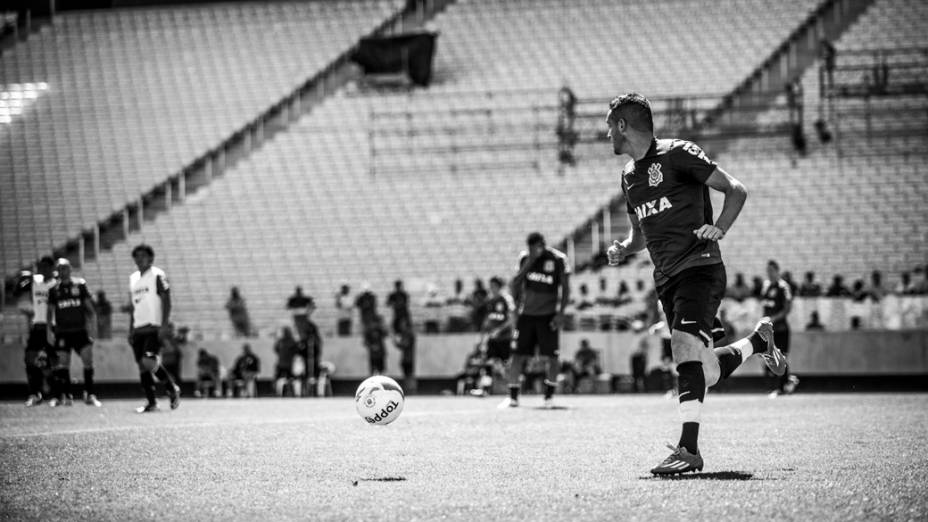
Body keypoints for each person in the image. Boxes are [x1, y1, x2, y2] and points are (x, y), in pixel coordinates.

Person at [604, 93, 788, 475]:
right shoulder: (628, 177)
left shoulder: (678, 153)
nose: (607, 135)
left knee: (683, 347)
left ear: (623, 125)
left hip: (700, 268)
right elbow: (640, 234)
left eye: (610, 127)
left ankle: (689, 449)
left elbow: (735, 189)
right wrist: (624, 247)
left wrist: (719, 228)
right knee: (704, 370)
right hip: (666, 279)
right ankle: (758, 341)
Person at [498, 232, 570, 409]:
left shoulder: (558, 259)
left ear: (543, 245)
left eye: (535, 248)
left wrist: (560, 313)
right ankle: (513, 397)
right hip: (526, 316)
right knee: (516, 356)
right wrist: (529, 261)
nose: (532, 251)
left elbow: (566, 289)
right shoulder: (525, 259)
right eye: (530, 248)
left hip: (548, 316)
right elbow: (515, 283)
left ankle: (549, 398)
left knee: (552, 358)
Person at [128, 244, 180, 413]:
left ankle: (171, 387)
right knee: (142, 367)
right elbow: (133, 306)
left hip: (154, 326)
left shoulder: (157, 275)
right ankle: (151, 403)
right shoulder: (133, 278)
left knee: (148, 360)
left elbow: (166, 299)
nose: (140, 259)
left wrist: (164, 324)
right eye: (137, 256)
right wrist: (131, 328)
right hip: (138, 328)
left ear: (151, 258)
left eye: (143, 256)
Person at [46, 259, 101, 407]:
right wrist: (49, 333)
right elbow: (50, 313)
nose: (63, 271)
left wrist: (93, 329)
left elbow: (91, 310)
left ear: (70, 269)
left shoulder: (80, 285)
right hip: (62, 332)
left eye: (65, 268)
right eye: (60, 268)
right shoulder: (53, 290)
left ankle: (90, 394)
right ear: (57, 271)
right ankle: (65, 396)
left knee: (88, 360)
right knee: (63, 364)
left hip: (80, 331)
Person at [15, 256, 57, 407]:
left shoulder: (56, 284)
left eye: (46, 266)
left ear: (52, 268)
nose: (42, 269)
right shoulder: (35, 281)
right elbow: (20, 288)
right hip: (37, 325)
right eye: (40, 266)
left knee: (51, 362)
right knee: (29, 359)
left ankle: (55, 395)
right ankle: (35, 393)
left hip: (52, 326)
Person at [762, 260, 798, 398]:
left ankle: (781, 388)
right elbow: (766, 306)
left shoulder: (784, 287)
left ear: (777, 271)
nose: (769, 273)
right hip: (769, 330)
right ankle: (787, 382)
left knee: (781, 358)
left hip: (781, 329)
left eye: (771, 270)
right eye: (767, 271)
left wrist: (773, 319)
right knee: (769, 358)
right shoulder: (766, 287)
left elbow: (787, 309)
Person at [274, 326, 299, 397]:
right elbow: (276, 349)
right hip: (281, 363)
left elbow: (296, 351)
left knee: (290, 379)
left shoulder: (292, 341)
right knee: (279, 379)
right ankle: (280, 392)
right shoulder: (280, 341)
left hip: (289, 364)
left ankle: (290, 391)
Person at [393, 316, 417, 393]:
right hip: (406, 357)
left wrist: (397, 343)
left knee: (409, 374)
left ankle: (411, 389)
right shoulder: (406, 333)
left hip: (408, 358)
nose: (401, 326)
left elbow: (405, 344)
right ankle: (409, 389)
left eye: (402, 324)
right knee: (407, 374)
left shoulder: (408, 333)